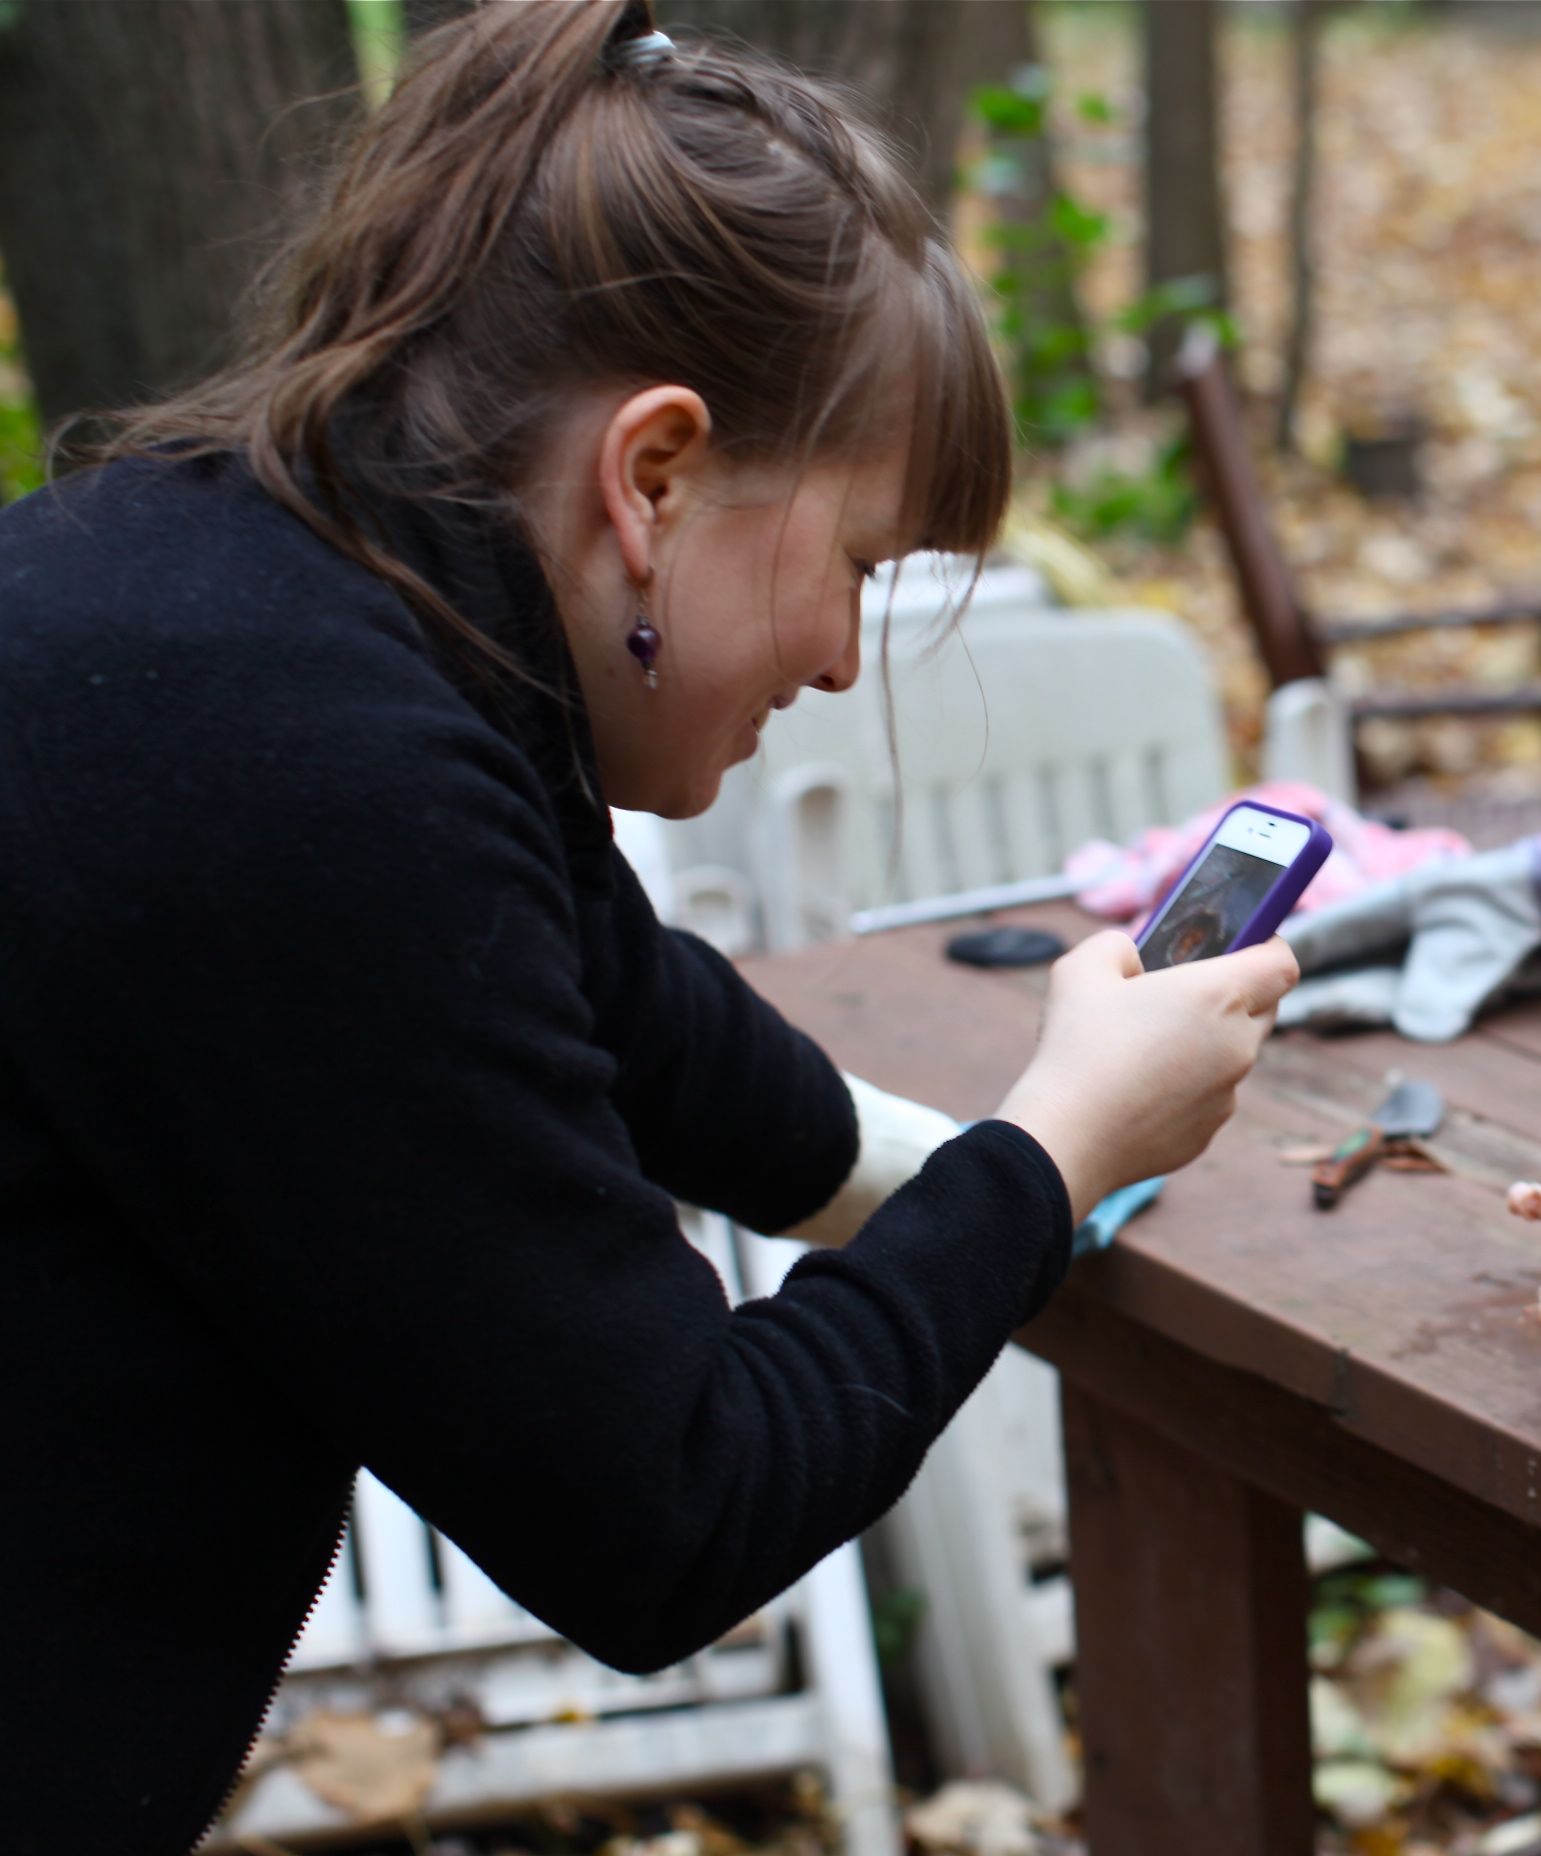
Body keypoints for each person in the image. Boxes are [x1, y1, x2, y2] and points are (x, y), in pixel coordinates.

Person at [0, 3, 1296, 1843]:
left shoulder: (260, 593)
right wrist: (1051, 1152)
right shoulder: (305, 771)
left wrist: (1016, 1158)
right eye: (854, 562)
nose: (847, 654)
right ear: (657, 472)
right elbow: (672, 1511)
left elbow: (634, 1014)